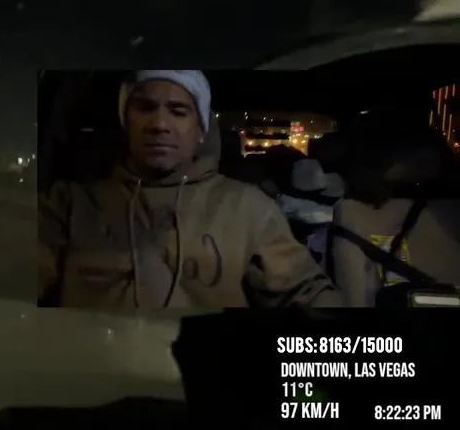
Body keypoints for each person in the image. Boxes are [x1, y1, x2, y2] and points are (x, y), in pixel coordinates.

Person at [38, 70, 341, 308]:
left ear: (200, 130)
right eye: (145, 108)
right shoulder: (69, 204)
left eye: (178, 111)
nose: (159, 124)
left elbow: (305, 292)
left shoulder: (247, 208)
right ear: (125, 121)